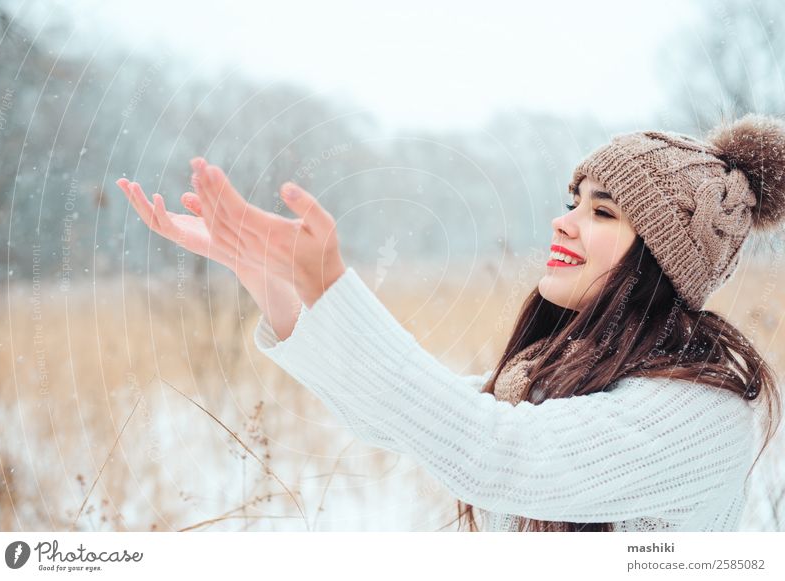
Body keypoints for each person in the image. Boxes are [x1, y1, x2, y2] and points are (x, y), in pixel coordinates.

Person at [116, 112, 785, 532]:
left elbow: (494, 451)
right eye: (572, 200)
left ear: (661, 262)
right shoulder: (564, 378)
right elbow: (399, 414)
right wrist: (269, 277)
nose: (563, 219)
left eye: (603, 212)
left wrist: (330, 281)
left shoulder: (702, 411)